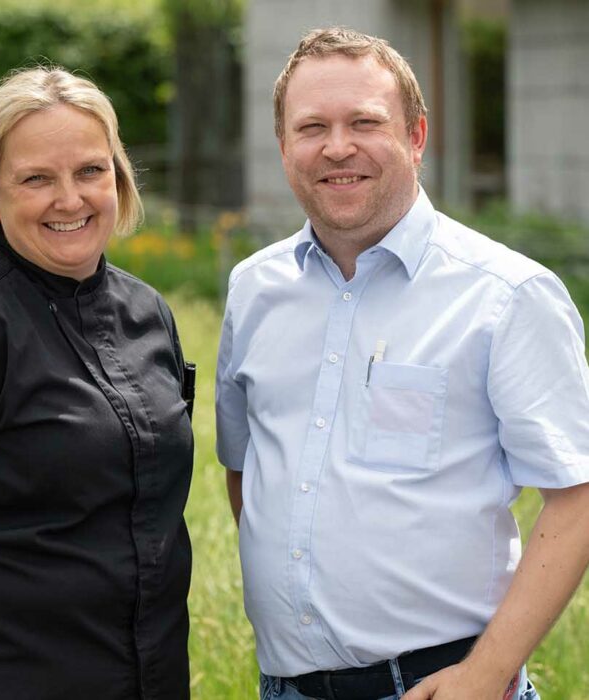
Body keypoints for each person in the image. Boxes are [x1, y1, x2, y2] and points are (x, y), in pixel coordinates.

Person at [215, 27, 589, 700]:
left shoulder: (505, 296)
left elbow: (579, 497)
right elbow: (247, 471)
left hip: (442, 687)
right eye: (312, 127)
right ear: (282, 146)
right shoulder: (252, 289)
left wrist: (486, 672)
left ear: (416, 136)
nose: (337, 147)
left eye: (365, 122)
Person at [0, 67, 193, 699]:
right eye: (36, 179)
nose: (70, 199)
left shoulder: (149, 315)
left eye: (90, 171)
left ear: (118, 179)